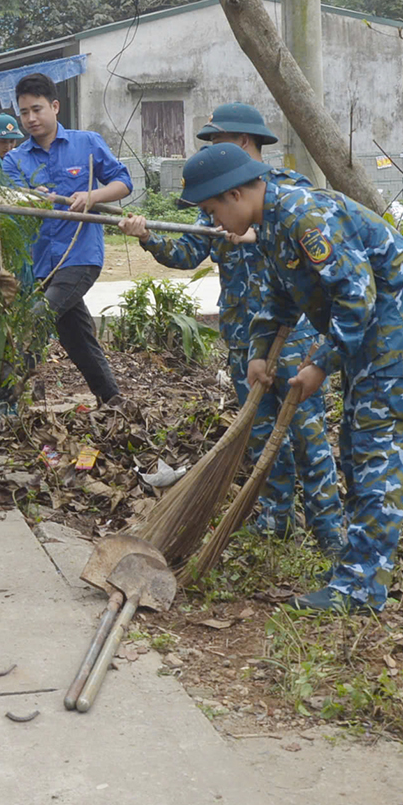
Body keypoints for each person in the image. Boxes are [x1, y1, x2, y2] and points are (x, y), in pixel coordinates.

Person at [179, 142, 403, 613]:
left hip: (401, 331)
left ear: (237, 194)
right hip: (375, 336)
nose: (214, 224)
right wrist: (260, 354)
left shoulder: (303, 215)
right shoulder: (274, 222)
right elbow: (282, 296)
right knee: (357, 450)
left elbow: (355, 295)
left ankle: (360, 589)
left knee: (376, 451)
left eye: (212, 210)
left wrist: (319, 363)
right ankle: (355, 572)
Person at [119, 104, 346, 549]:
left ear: (244, 143)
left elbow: (315, 243)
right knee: (260, 435)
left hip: (295, 334)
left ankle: (329, 530)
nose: (210, 157)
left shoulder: (287, 192)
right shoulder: (214, 205)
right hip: (245, 339)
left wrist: (255, 234)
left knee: (307, 434)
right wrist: (147, 237)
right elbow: (186, 254)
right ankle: (278, 518)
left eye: (216, 145)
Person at [0, 73, 128, 405]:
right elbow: (14, 200)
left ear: (55, 107)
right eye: (24, 112)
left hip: (81, 256)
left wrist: (92, 195)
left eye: (37, 109)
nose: (30, 118)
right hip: (42, 262)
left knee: (38, 317)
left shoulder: (87, 143)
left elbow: (123, 182)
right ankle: (113, 400)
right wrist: (32, 198)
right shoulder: (14, 160)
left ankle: (3, 396)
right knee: (75, 336)